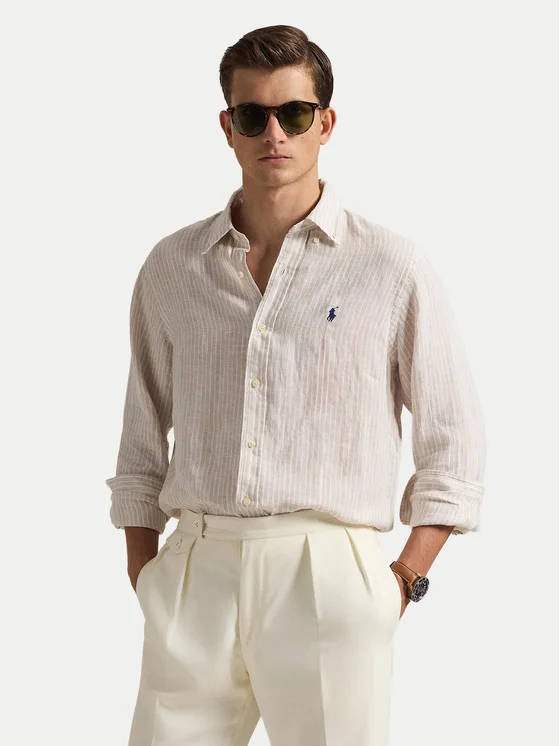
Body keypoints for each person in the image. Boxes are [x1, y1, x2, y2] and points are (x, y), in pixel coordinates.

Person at [105, 23, 486, 746]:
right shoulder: (173, 267)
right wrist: (148, 575)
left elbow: (454, 441)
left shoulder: (389, 267)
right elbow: (142, 431)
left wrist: (399, 583)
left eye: (294, 113)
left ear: (326, 123)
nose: (273, 133)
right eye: (252, 115)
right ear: (228, 127)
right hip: (195, 570)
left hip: (329, 577)